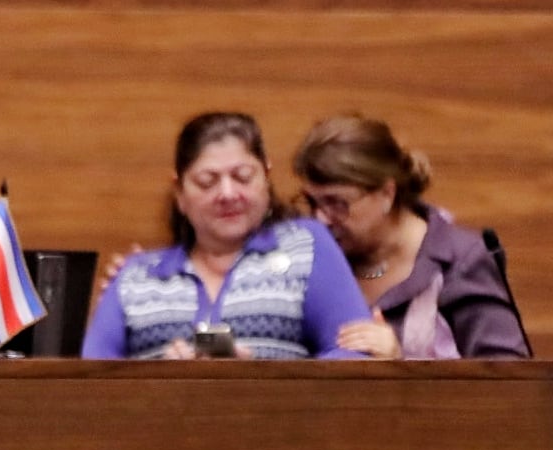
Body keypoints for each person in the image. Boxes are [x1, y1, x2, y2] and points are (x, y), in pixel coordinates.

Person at [81, 112, 371, 359]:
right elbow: (93, 378)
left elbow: (354, 355)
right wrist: (161, 380)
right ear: (180, 192)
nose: (228, 194)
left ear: (266, 177)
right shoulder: (136, 276)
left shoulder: (306, 245)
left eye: (243, 177)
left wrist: (258, 380)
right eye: (207, 182)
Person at [292, 114, 531, 359]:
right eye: (311, 202)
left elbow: (506, 373)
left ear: (387, 193)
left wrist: (401, 365)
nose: (320, 218)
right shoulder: (307, 259)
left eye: (337, 203)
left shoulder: (459, 260)